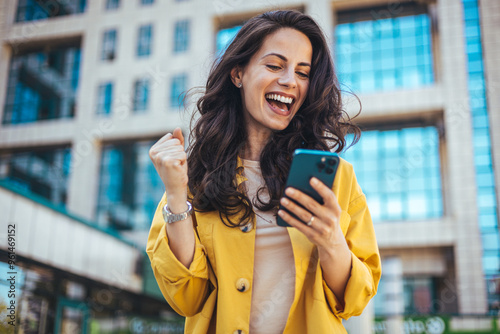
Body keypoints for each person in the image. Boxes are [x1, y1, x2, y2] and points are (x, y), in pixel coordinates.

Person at [147, 10, 381, 334]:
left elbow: (354, 300)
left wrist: (331, 241)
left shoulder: (336, 178)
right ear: (238, 74)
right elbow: (187, 297)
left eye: (303, 72)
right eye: (274, 66)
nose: (289, 81)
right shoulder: (195, 175)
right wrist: (175, 195)